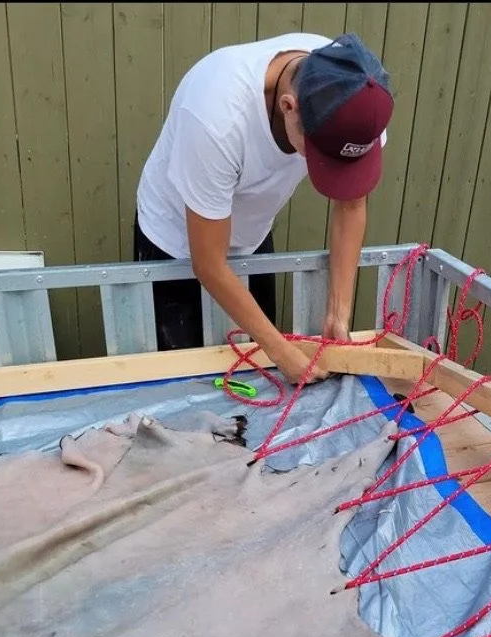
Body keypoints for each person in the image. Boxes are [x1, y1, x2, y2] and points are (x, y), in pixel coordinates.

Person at [134, 32, 394, 385]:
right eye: (319, 155)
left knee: (257, 368)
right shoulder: (216, 117)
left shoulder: (360, 99)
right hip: (174, 237)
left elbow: (351, 206)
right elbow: (208, 262)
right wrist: (280, 349)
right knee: (184, 382)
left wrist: (338, 313)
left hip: (250, 231)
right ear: (289, 107)